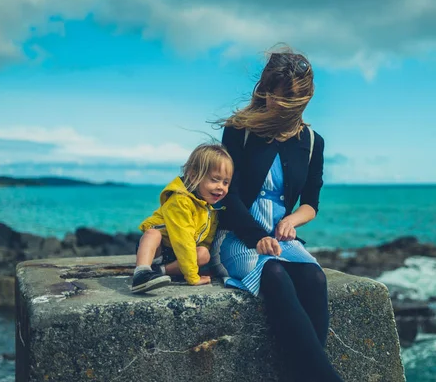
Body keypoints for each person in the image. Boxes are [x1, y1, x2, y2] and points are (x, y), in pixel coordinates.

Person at [213, 48, 343, 381]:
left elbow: (311, 203)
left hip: (284, 239)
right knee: (274, 276)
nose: (284, 110)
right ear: (266, 92)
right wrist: (258, 238)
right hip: (239, 237)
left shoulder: (313, 142)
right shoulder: (238, 131)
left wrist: (291, 221)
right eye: (278, 100)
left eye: (293, 104)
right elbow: (228, 198)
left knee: (315, 279)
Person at [131, 142, 233, 294]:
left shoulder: (211, 208)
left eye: (225, 182)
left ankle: (160, 271)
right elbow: (183, 241)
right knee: (152, 234)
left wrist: (200, 267)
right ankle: (142, 273)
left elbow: (206, 239)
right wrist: (192, 277)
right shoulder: (180, 201)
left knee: (204, 253)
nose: (221, 187)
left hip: (175, 256)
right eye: (214, 180)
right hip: (159, 249)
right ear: (193, 176)